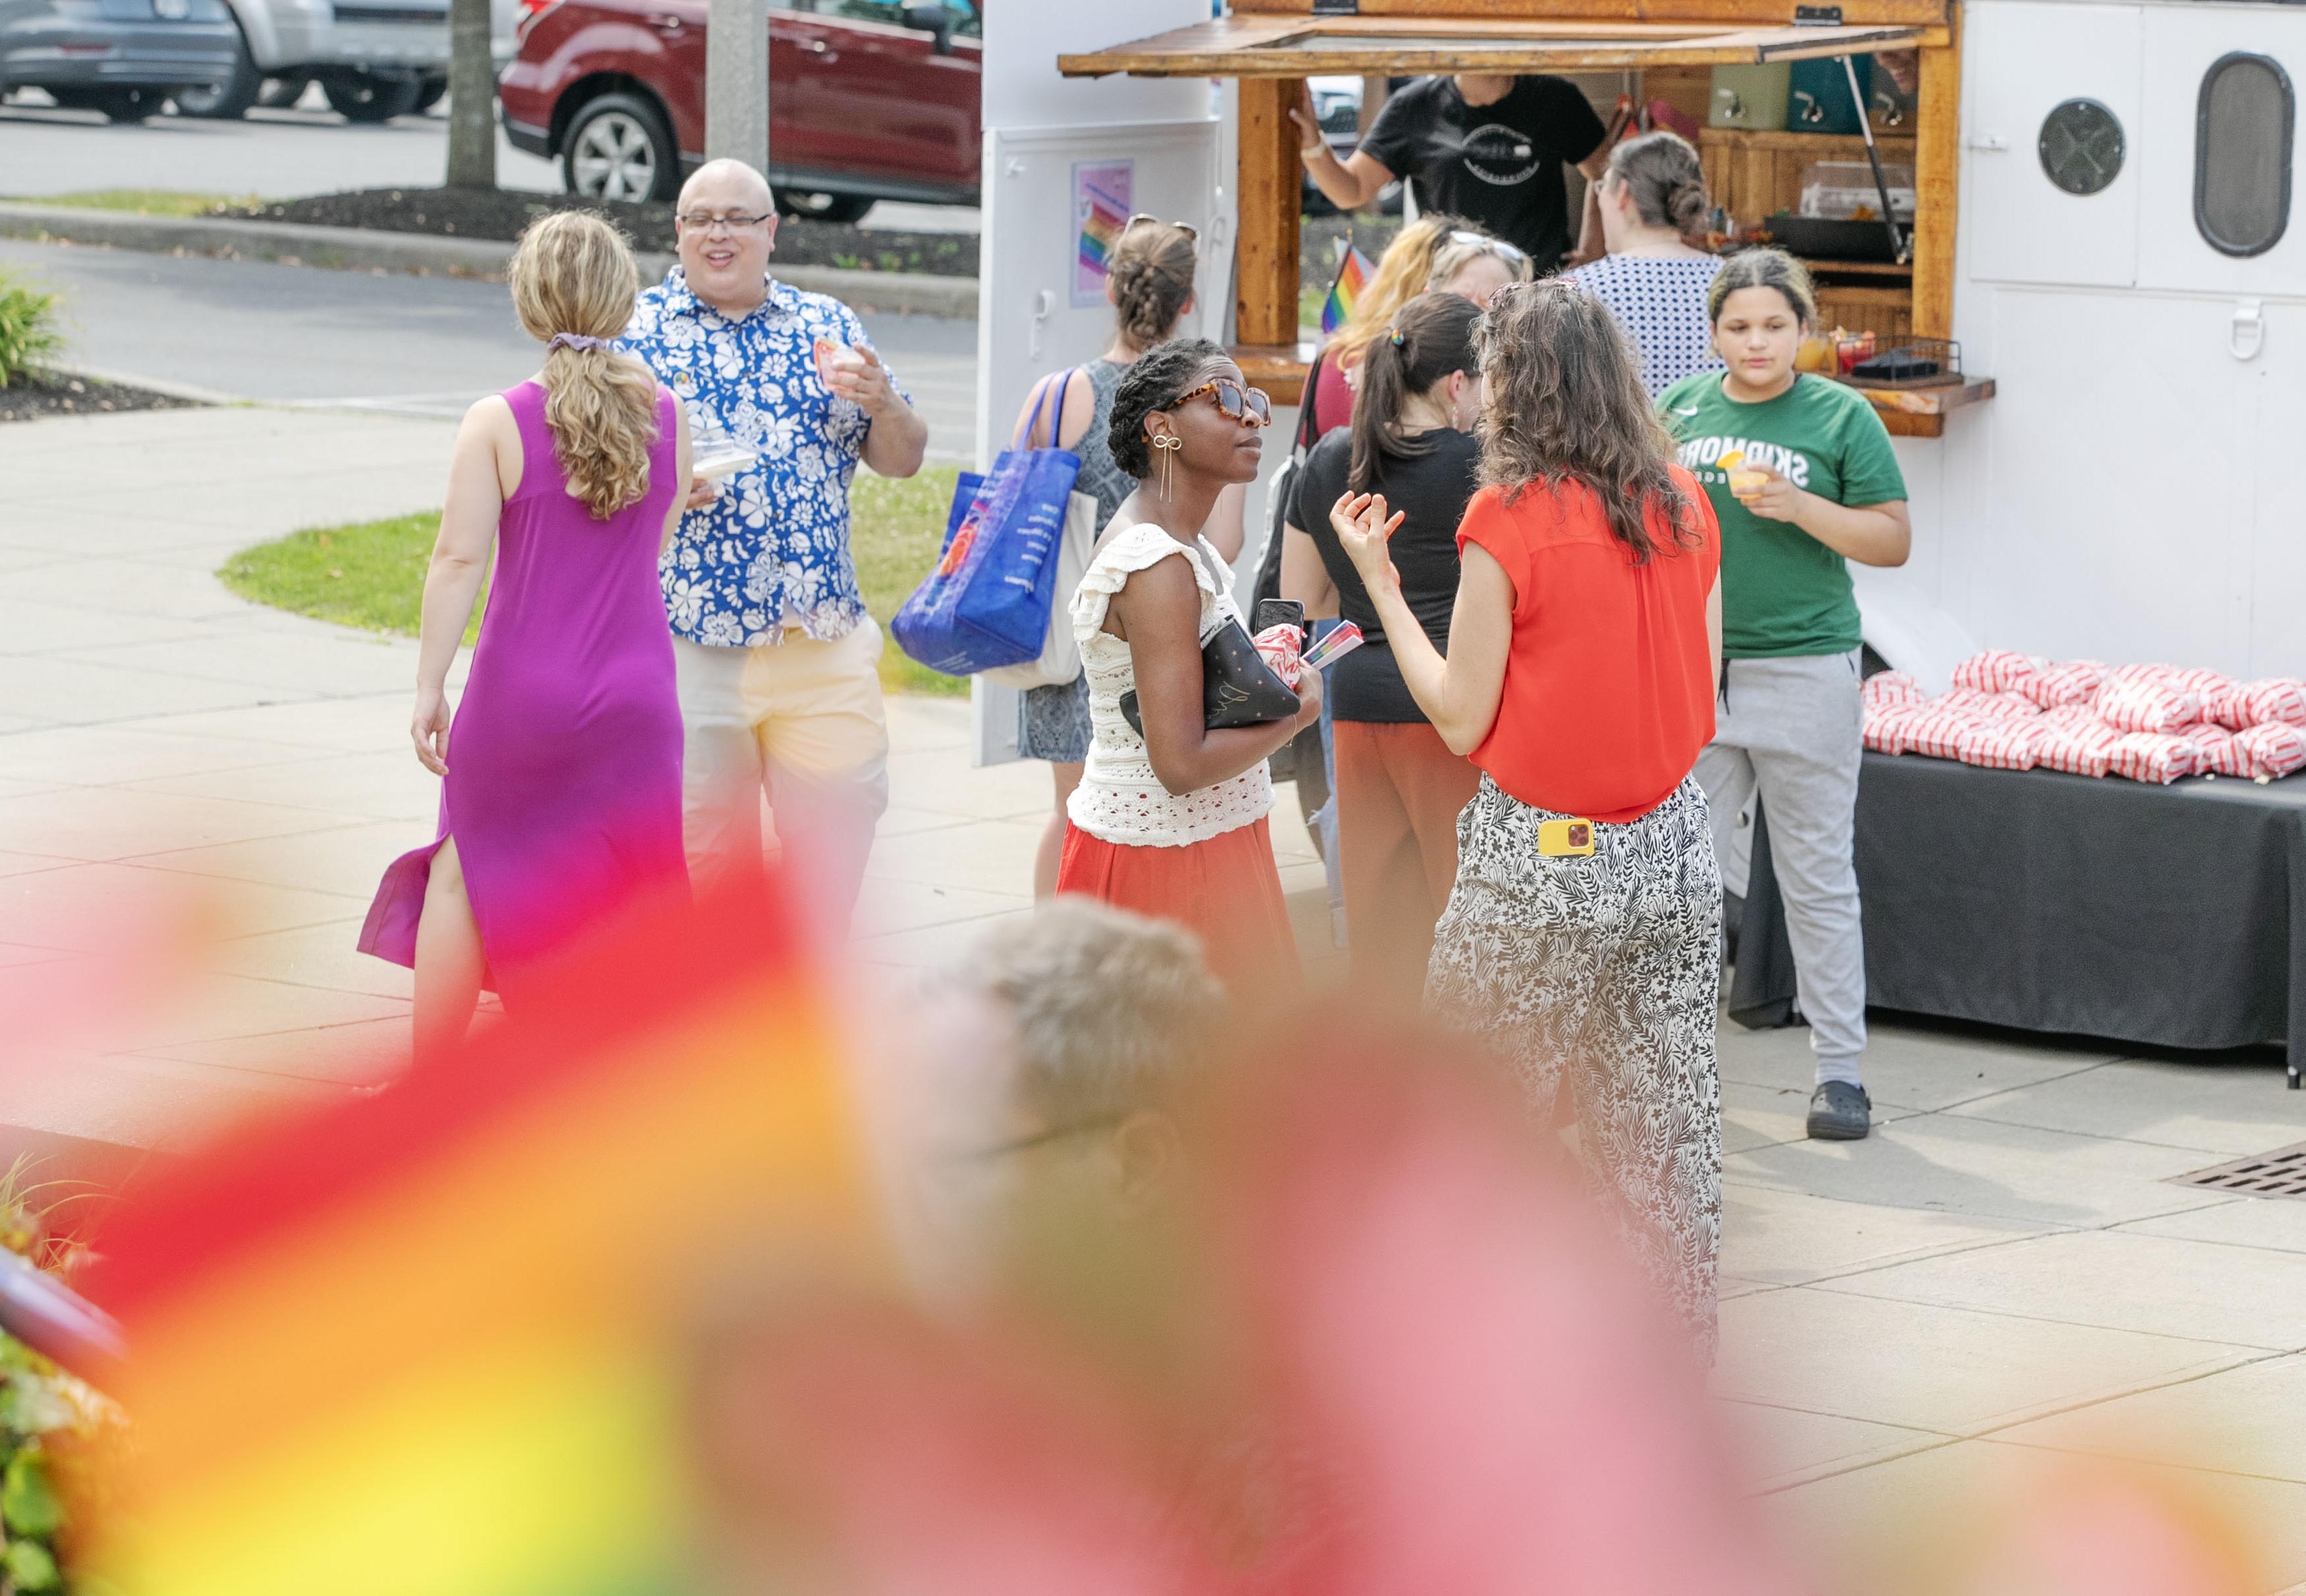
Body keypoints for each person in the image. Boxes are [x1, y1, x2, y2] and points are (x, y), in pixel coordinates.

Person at [1329, 279, 1726, 1356]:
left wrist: (1382, 586)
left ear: (1517, 387)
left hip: (1544, 857)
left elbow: (1459, 715)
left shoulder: (1508, 517)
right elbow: (1708, 684)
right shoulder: (1687, 502)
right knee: (1663, 1140)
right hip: (1677, 847)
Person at [361, 212, 692, 1059]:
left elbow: (457, 560)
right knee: (636, 884)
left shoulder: (498, 421)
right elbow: (650, 552)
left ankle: (432, 1084)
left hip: (523, 693)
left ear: (528, 301)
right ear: (625, 299)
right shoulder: (667, 414)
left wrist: (429, 685)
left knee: (464, 873)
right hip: (637, 695)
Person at [616, 157, 930, 934]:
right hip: (693, 648)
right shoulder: (632, 335)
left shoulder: (827, 327)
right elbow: (580, 475)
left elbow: (902, 456)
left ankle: (808, 1008)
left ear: (770, 232)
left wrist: (884, 400)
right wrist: (654, 486)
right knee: (701, 860)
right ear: (678, 232)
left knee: (837, 839)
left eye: (736, 219)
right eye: (700, 219)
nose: (717, 234)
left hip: (818, 642)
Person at [1658, 249, 1910, 1143]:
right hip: (1699, 672)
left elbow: (1890, 541)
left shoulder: (1841, 414)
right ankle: (1673, 1071)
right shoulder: (1678, 410)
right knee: (1681, 879)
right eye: (1738, 326)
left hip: (1807, 669)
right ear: (1715, 330)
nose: (1756, 342)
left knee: (1814, 876)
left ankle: (1839, 1076)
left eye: (1774, 325)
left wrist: (1801, 508)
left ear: (1804, 331)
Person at [1057, 339, 1320, 992]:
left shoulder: (1183, 545)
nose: (1252, 418)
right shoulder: (1155, 563)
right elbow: (1179, 766)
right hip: (1168, 858)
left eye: (1254, 401)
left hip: (1206, 837)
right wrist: (1298, 716)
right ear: (1162, 429)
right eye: (1225, 399)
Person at [1006, 217, 1245, 900]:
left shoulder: (1056, 396)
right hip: (1166, 643)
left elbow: (1016, 517)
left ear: (1110, 290)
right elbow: (1221, 545)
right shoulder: (1205, 407)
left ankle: (1055, 963)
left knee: (1071, 813)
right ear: (1187, 302)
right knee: (1162, 823)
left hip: (1071, 642)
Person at [1280, 292, 1484, 1004]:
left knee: (1376, 921)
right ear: (1458, 382)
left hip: (1357, 706)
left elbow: (1301, 606)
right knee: (1465, 915)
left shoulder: (1332, 458)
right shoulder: (1487, 467)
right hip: (1456, 710)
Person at [1294, 74, 1609, 275]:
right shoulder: (1415, 106)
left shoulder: (1555, 99)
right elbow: (1352, 189)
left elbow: (1607, 175)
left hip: (1540, 291)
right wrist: (1312, 142)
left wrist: (1593, 254)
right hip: (1455, 291)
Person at [1304, 217, 1528, 441]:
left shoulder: (1340, 352)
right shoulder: (1412, 365)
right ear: (1427, 296)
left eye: (1491, 304)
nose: (1477, 317)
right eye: (1463, 299)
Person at [1562, 130, 1725, 396]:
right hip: (1717, 438)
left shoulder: (1575, 291)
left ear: (1623, 194)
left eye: (1603, 186)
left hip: (1615, 439)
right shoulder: (1733, 281)